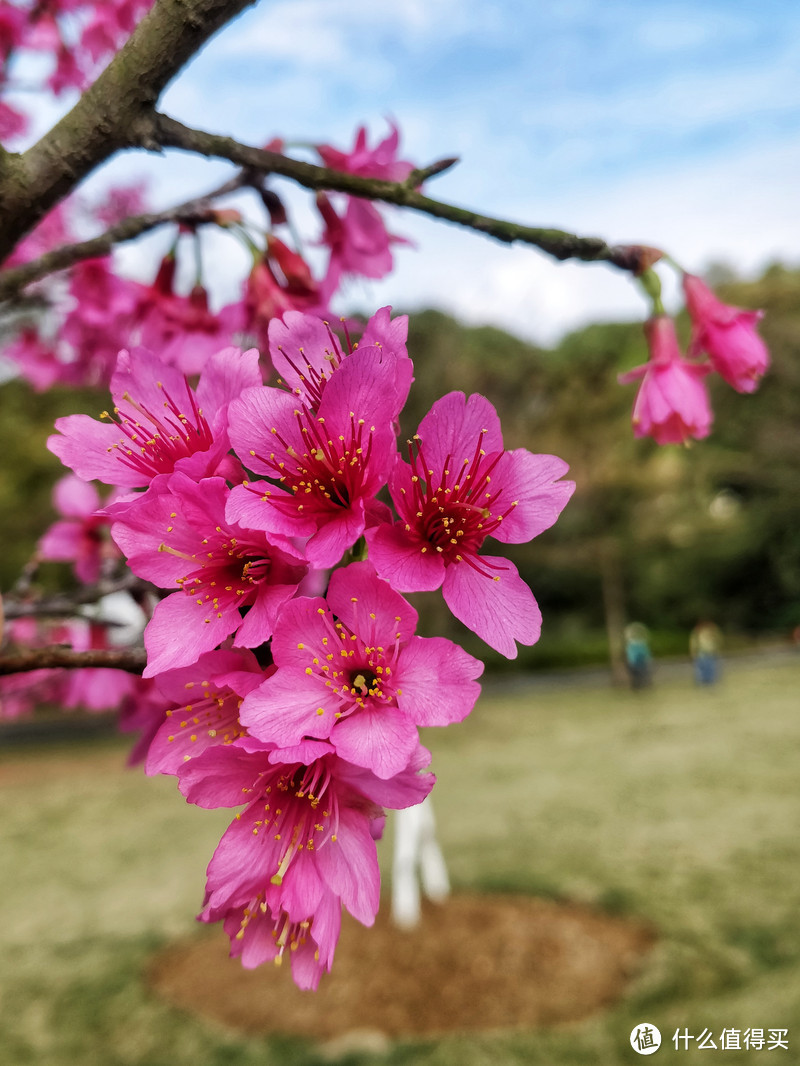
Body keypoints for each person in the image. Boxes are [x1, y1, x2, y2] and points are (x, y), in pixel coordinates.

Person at [690, 620, 723, 685]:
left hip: (711, 652)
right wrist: (693, 653)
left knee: (710, 667)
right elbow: (694, 643)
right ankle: (702, 682)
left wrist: (717, 649)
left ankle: (709, 681)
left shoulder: (713, 632)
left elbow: (718, 641)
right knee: (702, 668)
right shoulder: (697, 633)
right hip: (701, 653)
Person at [624, 622, 652, 690]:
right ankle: (639, 688)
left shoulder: (639, 644)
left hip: (639, 663)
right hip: (636, 664)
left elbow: (646, 654)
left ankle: (641, 688)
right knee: (639, 677)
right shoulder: (633, 645)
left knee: (641, 676)